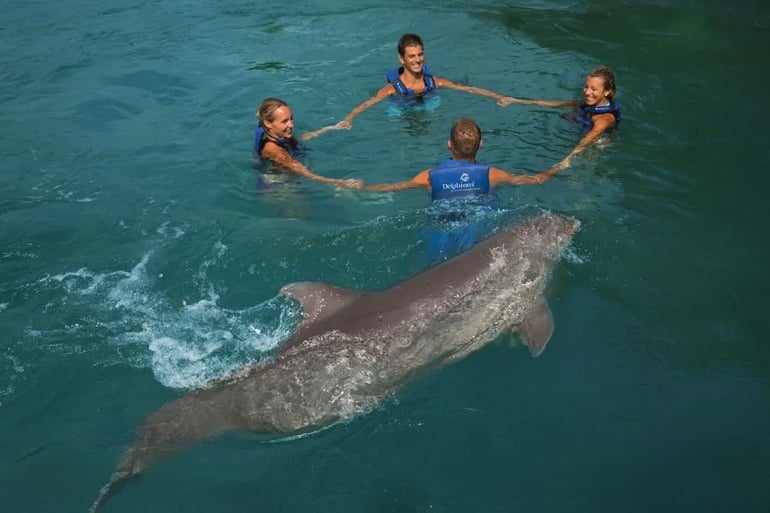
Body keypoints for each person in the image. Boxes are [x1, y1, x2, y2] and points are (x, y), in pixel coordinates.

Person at [356, 118, 568, 261]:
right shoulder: (492, 175)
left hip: (439, 231)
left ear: (449, 144)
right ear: (481, 144)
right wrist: (560, 165)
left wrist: (356, 185)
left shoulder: (429, 177)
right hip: (478, 229)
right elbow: (536, 180)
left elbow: (389, 188)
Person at [327, 33, 519, 130]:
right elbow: (367, 104)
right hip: (401, 110)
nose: (418, 60)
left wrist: (498, 97)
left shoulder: (434, 82)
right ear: (402, 59)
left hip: (428, 105)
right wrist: (347, 120)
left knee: (433, 117)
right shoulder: (391, 89)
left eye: (420, 54)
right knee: (399, 127)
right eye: (412, 56)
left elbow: (469, 89)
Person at [509, 66, 621, 168]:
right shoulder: (590, 102)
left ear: (607, 91)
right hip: (580, 134)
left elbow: (589, 139)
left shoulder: (605, 118)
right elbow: (558, 104)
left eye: (593, 89)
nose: (587, 92)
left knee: (579, 173)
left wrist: (568, 159)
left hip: (596, 145)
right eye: (586, 87)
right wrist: (517, 101)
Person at [253, 97, 362, 188]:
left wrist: (332, 128)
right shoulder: (273, 149)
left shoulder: (276, 134)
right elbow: (302, 171)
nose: (291, 125)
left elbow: (300, 139)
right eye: (285, 121)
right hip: (279, 187)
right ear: (268, 123)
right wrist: (340, 182)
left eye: (291, 119)